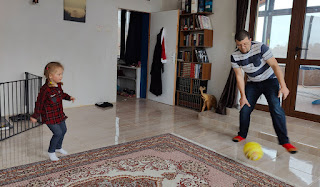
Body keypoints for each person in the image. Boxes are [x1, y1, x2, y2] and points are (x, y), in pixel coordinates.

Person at [231, 30, 297, 154]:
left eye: (245, 44)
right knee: (245, 107)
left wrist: (283, 86)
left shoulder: (261, 47)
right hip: (252, 83)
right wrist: (243, 96)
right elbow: (239, 76)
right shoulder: (234, 55)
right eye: (239, 45)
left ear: (250, 40)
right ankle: (242, 134)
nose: (242, 47)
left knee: (276, 109)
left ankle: (285, 141)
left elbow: (275, 66)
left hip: (269, 81)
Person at [30, 62, 75, 161]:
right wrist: (35, 115)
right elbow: (39, 103)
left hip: (59, 114)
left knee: (64, 130)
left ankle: (58, 147)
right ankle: (51, 152)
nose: (61, 76)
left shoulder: (58, 85)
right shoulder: (45, 90)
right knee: (58, 133)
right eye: (59, 74)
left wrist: (69, 97)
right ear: (50, 76)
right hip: (49, 117)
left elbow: (62, 94)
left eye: (62, 73)